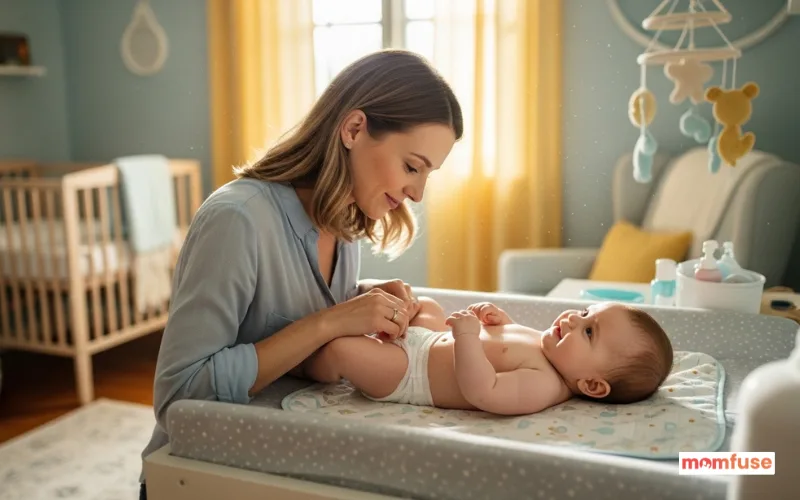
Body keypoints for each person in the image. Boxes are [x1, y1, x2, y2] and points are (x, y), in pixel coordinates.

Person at [137, 49, 463, 499]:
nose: (418, 193)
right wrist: (331, 321)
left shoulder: (344, 219)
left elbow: (292, 311)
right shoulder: (237, 220)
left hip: (271, 466)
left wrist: (360, 302)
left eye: (428, 175)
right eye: (412, 167)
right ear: (353, 129)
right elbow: (178, 399)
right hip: (197, 477)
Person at [305, 299, 674, 415]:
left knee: (342, 350)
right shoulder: (550, 349)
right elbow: (506, 345)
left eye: (589, 331)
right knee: (427, 305)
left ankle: (304, 365)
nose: (574, 319)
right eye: (585, 312)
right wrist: (499, 322)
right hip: (428, 339)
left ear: (592, 385)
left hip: (409, 374)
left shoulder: (543, 385)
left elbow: (483, 389)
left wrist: (467, 337)